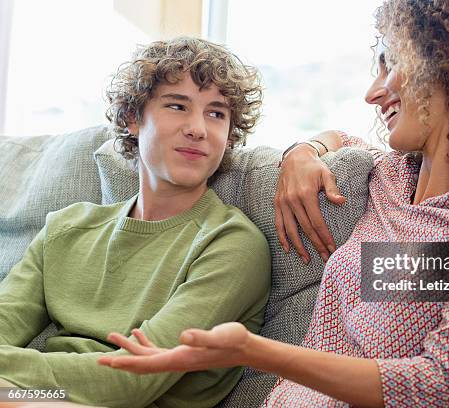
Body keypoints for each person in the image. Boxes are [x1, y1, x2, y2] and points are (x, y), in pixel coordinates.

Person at [98, 0, 449, 406]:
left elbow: (444, 384)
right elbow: (340, 137)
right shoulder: (391, 176)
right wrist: (304, 151)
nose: (373, 92)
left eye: (391, 64)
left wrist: (252, 351)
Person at [0, 37, 271, 408]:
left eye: (216, 113)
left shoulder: (232, 243)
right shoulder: (66, 228)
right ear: (132, 118)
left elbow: (132, 380)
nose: (198, 129)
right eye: (178, 106)